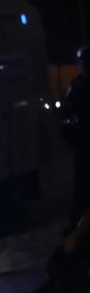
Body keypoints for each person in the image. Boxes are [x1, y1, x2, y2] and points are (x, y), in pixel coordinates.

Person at [61, 46, 90, 233]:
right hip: (82, 145)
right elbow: (67, 109)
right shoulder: (78, 84)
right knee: (82, 187)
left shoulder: (81, 85)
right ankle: (77, 224)